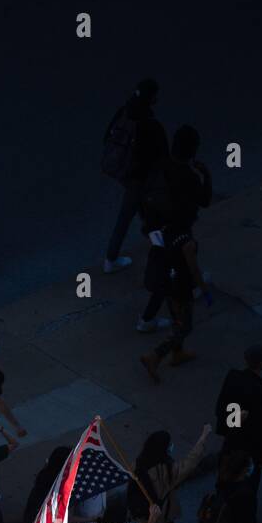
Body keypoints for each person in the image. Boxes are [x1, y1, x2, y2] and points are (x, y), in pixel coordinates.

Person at [103, 78, 168, 273]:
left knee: (140, 212)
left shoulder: (123, 112)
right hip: (140, 177)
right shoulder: (150, 124)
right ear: (152, 98)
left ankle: (112, 259)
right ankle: (111, 259)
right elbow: (163, 155)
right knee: (140, 216)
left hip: (123, 172)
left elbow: (106, 137)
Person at [139, 209, 210, 382]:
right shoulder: (187, 242)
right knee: (185, 326)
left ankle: (178, 353)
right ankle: (155, 355)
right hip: (181, 287)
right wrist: (205, 290)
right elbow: (193, 269)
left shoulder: (166, 230)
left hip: (167, 282)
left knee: (176, 318)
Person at [215, 344, 262, 492]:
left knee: (224, 478)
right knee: (247, 485)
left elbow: (221, 407)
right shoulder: (257, 390)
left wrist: (231, 425)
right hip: (248, 446)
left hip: (231, 440)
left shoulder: (232, 376)